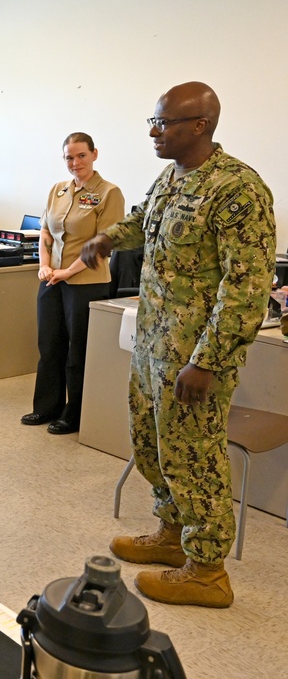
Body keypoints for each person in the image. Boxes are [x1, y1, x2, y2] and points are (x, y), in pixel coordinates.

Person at [80, 82, 276, 608]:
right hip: (152, 344)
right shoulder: (173, 175)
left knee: (194, 456)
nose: (153, 131)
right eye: (154, 119)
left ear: (200, 127)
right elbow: (144, 220)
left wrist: (208, 362)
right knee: (152, 444)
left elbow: (246, 289)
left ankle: (208, 570)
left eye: (163, 123)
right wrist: (108, 238)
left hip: (194, 358)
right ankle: (171, 535)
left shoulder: (238, 190)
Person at [21, 133, 124, 435]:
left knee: (77, 349)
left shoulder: (109, 193)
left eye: (81, 155)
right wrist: (44, 266)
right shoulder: (58, 190)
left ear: (94, 154)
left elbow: (104, 244)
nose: (75, 162)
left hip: (86, 282)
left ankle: (74, 414)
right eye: (69, 157)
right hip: (52, 280)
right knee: (49, 345)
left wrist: (67, 271)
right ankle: (46, 407)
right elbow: (45, 233)